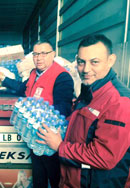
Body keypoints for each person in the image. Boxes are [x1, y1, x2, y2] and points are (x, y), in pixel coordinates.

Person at [37, 34, 130, 187]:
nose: (86, 69)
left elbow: (104, 157)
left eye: (94, 62)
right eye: (81, 62)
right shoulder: (90, 90)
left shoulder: (119, 102)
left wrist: (60, 147)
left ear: (110, 60)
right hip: (74, 180)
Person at [0, 40, 74, 187]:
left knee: (55, 176)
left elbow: (64, 109)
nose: (39, 57)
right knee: (38, 175)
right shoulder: (33, 73)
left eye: (44, 53)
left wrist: (42, 117)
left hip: (49, 138)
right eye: (36, 54)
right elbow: (22, 88)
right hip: (34, 135)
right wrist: (3, 79)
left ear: (53, 55)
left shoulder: (62, 77)